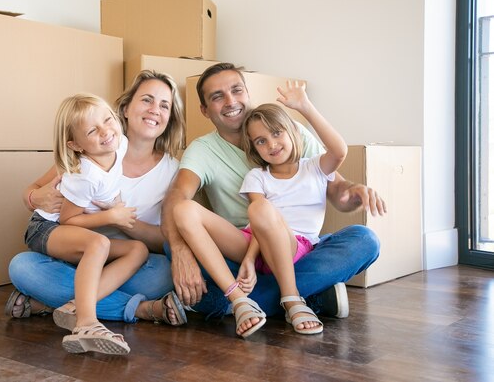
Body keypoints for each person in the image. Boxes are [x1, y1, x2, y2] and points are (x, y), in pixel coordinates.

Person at [162, 63, 385, 333]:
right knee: (172, 241)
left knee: (364, 240)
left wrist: (355, 191)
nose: (231, 101)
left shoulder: (291, 130)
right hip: (244, 247)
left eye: (236, 90)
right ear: (205, 110)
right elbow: (178, 197)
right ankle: (308, 295)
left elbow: (337, 188)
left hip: (298, 247)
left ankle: (236, 303)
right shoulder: (204, 150)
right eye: (217, 96)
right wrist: (180, 250)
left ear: (248, 93)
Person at [6, 70, 187, 331]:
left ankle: (51, 303)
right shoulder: (91, 152)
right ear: (125, 108)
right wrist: (34, 197)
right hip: (72, 254)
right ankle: (137, 309)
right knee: (22, 267)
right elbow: (33, 191)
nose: (154, 110)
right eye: (147, 100)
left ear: (170, 117)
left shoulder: (172, 170)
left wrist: (123, 220)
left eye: (164, 105)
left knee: (163, 273)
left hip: (121, 261)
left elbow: (164, 239)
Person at [25, 92, 152, 355]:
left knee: (138, 249)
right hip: (45, 229)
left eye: (108, 120)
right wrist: (111, 216)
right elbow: (67, 219)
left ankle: (74, 306)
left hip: (68, 228)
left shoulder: (121, 144)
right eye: (93, 130)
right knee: (99, 243)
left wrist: (113, 204)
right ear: (76, 145)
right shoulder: (84, 174)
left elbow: (111, 184)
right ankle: (86, 323)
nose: (107, 132)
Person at [238, 80, 348, 335]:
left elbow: (339, 151)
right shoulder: (257, 176)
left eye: (277, 133)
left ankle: (274, 296)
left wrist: (305, 107)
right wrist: (249, 259)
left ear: (294, 132)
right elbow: (259, 221)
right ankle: (299, 295)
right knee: (187, 229)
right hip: (254, 242)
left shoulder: (315, 167)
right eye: (261, 141)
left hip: (295, 247)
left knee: (364, 238)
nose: (272, 145)